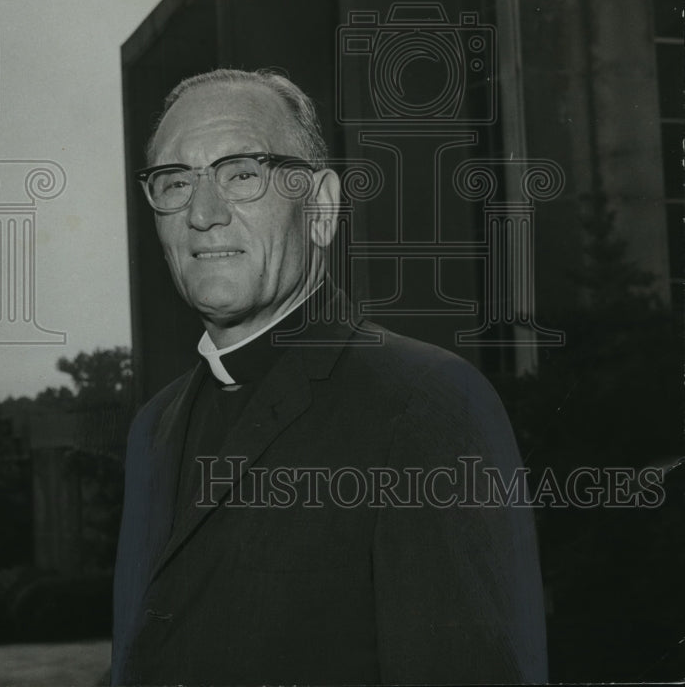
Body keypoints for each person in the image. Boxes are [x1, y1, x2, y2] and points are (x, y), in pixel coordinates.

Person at [111, 68, 548, 686]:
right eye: (175, 181)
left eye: (241, 173)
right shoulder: (151, 430)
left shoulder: (425, 403)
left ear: (319, 207)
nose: (202, 214)